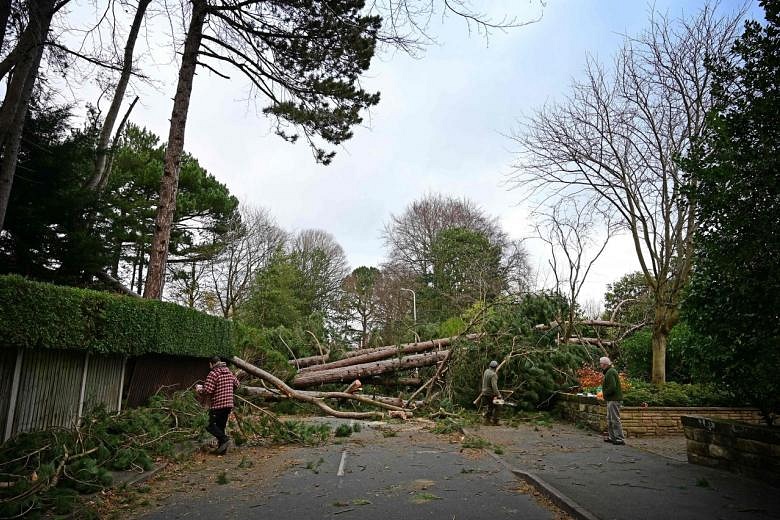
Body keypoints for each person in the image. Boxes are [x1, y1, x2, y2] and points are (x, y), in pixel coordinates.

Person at [197, 356, 240, 454]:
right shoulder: (229, 372)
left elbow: (208, 390)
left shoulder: (213, 373)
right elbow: (237, 384)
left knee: (208, 424)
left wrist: (199, 389)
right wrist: (227, 390)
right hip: (228, 404)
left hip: (218, 405)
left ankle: (225, 439)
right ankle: (222, 450)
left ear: (211, 364)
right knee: (221, 426)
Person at [600, 356, 625, 445]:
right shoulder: (609, 372)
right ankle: (612, 437)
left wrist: (605, 393)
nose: (600, 365)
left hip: (614, 399)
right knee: (610, 419)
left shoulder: (610, 372)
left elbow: (612, 386)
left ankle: (620, 439)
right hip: (611, 399)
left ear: (605, 364)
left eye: (601, 363)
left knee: (614, 419)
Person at [481, 360, 501, 425]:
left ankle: (487, 421)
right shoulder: (493, 375)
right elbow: (494, 387)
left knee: (488, 407)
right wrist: (498, 395)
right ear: (495, 367)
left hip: (484, 392)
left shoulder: (486, 371)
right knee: (498, 405)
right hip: (490, 393)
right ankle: (495, 421)